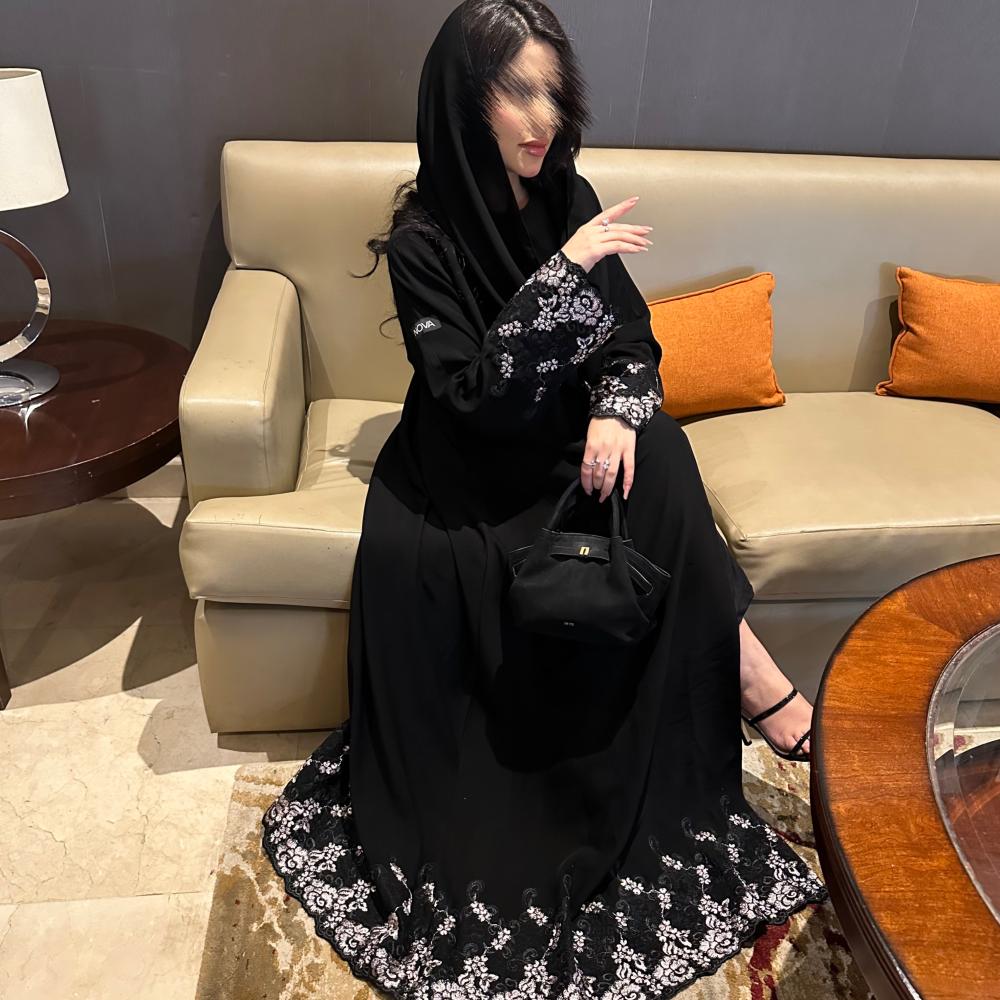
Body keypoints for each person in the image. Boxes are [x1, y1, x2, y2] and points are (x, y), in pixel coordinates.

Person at [260, 2, 828, 996]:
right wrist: (565, 269)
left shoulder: (569, 193)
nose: (544, 118)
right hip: (468, 461)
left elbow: (631, 337)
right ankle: (758, 687)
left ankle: (748, 678)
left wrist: (614, 405)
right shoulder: (423, 240)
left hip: (568, 435)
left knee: (659, 452)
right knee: (595, 492)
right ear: (461, 99)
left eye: (554, 92)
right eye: (517, 91)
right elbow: (475, 398)